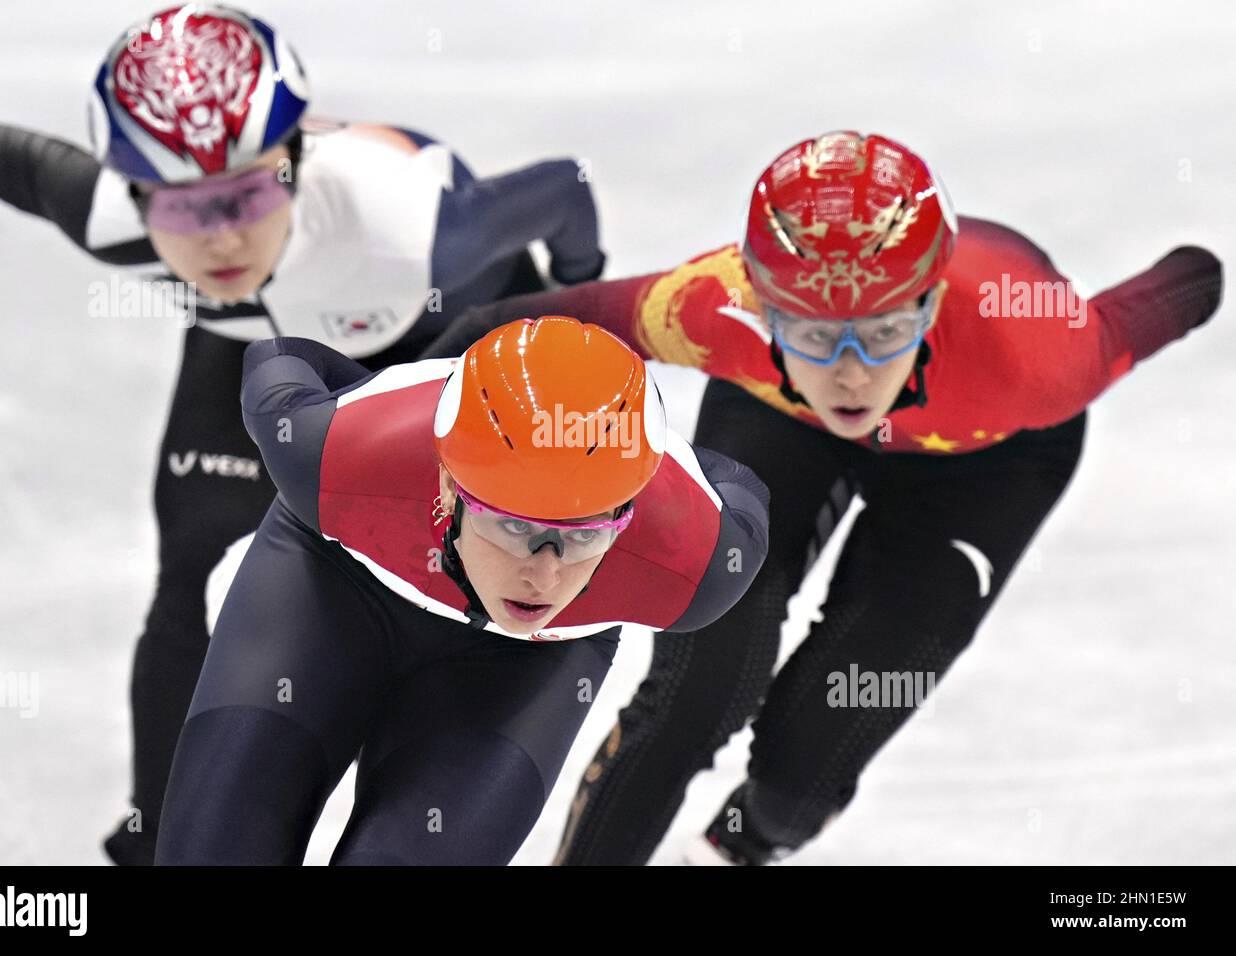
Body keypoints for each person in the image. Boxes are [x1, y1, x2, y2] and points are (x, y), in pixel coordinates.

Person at [417, 130, 1224, 864]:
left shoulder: (1039, 352)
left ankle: (741, 844)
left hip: (987, 464)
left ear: (933, 304)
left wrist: (1201, 270)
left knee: (809, 763)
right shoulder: (710, 304)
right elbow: (507, 328)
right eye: (809, 330)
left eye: (880, 332)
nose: (848, 371)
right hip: (779, 413)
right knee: (701, 686)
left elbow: (1172, 294)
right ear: (759, 305)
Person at [0, 2, 607, 864]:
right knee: (194, 569)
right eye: (182, 211)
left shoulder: (415, 229)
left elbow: (567, 194)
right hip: (257, 340)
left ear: (294, 160)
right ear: (135, 196)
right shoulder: (110, 219)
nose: (221, 238)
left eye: (248, 194)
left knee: (447, 575)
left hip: (432, 333)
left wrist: (584, 315)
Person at [154, 315, 770, 864]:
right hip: (336, 584)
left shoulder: (697, 564)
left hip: (521, 665)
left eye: (584, 536)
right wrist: (384, 387)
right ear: (448, 487)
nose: (545, 575)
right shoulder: (334, 454)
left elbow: (740, 479)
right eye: (514, 526)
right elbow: (282, 354)